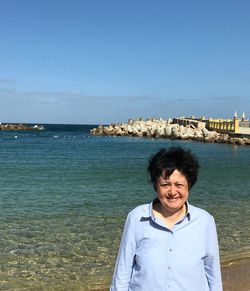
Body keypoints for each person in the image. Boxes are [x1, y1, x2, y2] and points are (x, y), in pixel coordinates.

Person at [110, 146, 223, 291]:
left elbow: (213, 272)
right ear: (155, 186)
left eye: (179, 185)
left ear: (189, 185)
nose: (172, 192)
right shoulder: (137, 217)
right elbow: (122, 272)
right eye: (165, 184)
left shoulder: (204, 221)